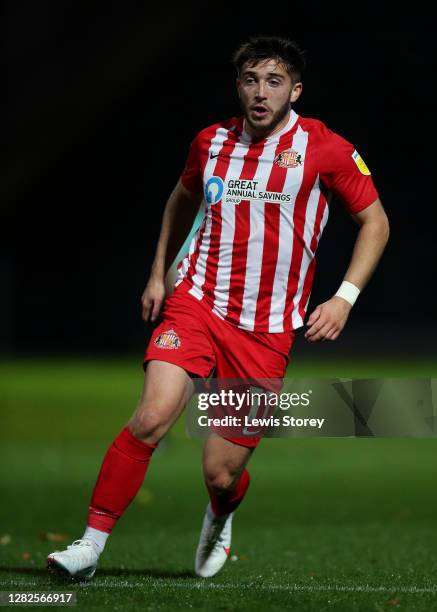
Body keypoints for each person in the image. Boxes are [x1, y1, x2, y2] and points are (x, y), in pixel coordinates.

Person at [47, 35, 389, 580]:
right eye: (250, 80)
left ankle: (220, 513)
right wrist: (160, 272)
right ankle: (89, 545)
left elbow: (376, 221)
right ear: (238, 86)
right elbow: (182, 198)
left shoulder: (324, 148)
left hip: (266, 331)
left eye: (274, 81)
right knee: (151, 418)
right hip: (198, 304)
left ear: (294, 90)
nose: (260, 92)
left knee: (221, 473)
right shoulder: (210, 142)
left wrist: (344, 298)